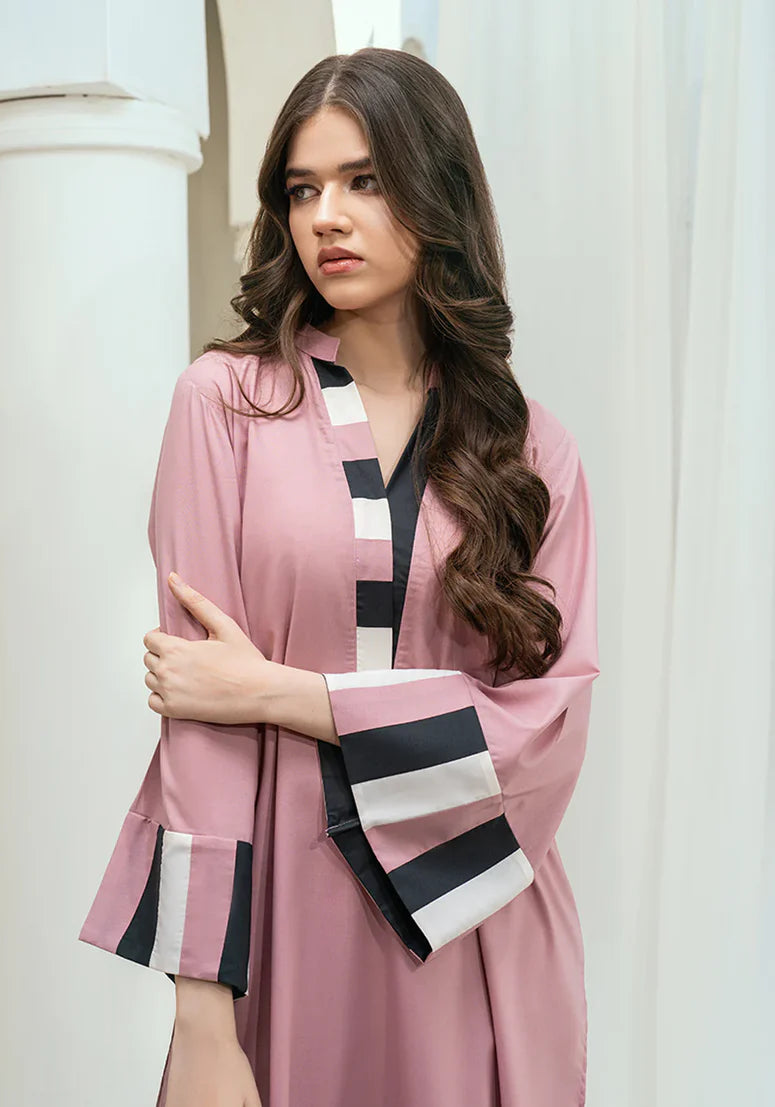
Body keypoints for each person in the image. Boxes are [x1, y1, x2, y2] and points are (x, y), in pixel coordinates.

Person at [78, 46, 600, 1107]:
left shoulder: (532, 450)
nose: (326, 217)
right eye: (302, 188)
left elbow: (544, 729)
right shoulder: (226, 403)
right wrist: (202, 1019)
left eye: (364, 180)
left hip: (475, 930)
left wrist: (282, 692)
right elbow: (200, 730)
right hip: (285, 921)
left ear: (435, 190)